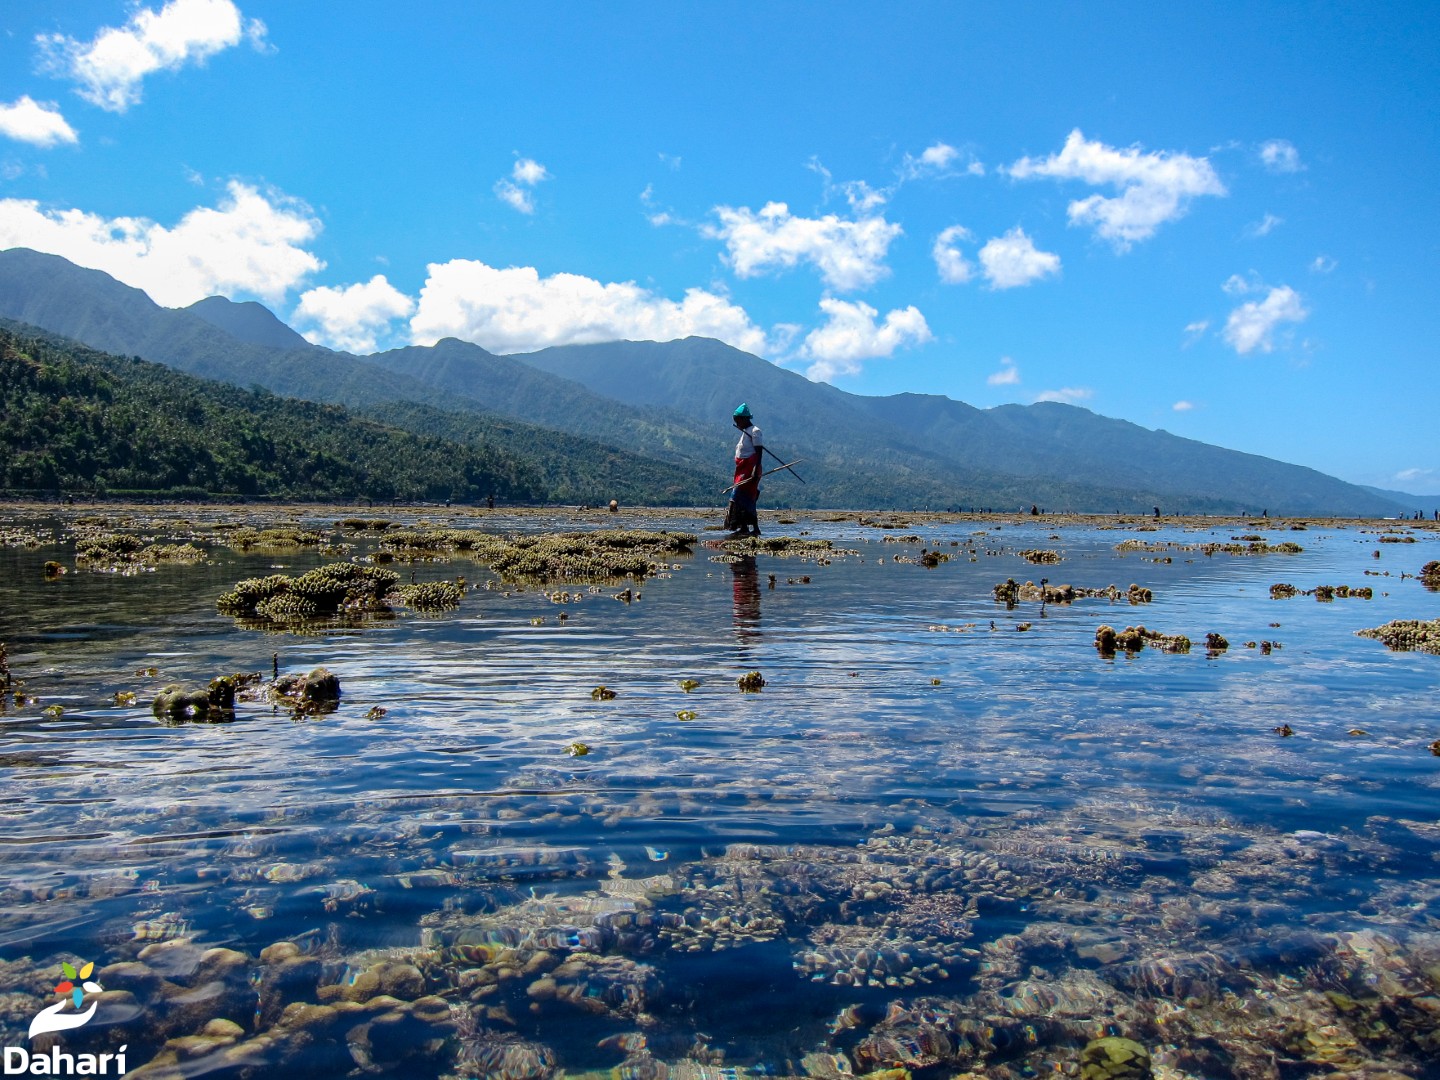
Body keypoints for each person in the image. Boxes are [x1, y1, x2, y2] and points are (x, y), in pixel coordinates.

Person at [724, 403, 763, 538]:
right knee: (742, 497)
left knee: (742, 496)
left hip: (750, 469)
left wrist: (754, 470)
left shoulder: (755, 431)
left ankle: (753, 528)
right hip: (742, 469)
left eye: (738, 420)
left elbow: (758, 453)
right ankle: (745, 527)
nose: (737, 423)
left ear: (745, 419)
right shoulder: (746, 432)